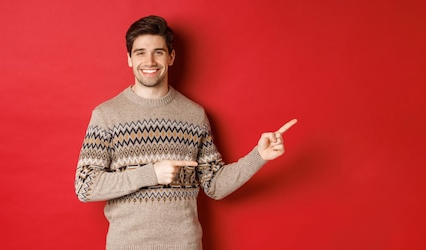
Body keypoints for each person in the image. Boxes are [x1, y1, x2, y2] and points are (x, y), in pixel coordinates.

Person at [75, 15, 297, 250]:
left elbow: (215, 185)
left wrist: (258, 156)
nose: (149, 60)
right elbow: (85, 185)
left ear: (171, 57)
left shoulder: (194, 115)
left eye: (158, 52)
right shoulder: (107, 115)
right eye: (140, 52)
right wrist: (150, 174)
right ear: (129, 59)